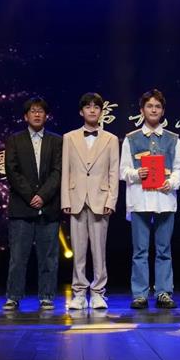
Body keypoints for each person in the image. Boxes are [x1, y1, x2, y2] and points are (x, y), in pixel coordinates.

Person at [120, 89, 180, 309]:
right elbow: (123, 170)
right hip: (140, 200)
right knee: (140, 250)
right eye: (149, 106)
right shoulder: (131, 139)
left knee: (163, 250)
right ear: (142, 110)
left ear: (163, 111)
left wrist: (172, 182)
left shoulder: (173, 139)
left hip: (165, 200)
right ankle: (139, 294)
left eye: (157, 106)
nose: (154, 110)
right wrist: (136, 173)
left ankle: (163, 292)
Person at [3, 97, 63, 311]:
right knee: (18, 257)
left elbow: (58, 171)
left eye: (40, 111)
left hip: (48, 207)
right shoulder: (14, 140)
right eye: (33, 111)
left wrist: (43, 196)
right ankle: (13, 296)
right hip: (22, 207)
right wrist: (31, 196)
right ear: (25, 116)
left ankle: (46, 296)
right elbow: (12, 171)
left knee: (48, 257)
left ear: (46, 116)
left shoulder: (56, 140)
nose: (37, 114)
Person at [61, 92, 119, 310]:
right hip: (76, 198)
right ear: (81, 111)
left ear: (101, 112)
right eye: (88, 107)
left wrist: (111, 200)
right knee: (78, 250)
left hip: (100, 199)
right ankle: (78, 293)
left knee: (99, 250)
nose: (92, 110)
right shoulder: (69, 137)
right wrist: (65, 198)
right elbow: (66, 170)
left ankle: (98, 292)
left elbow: (113, 172)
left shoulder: (111, 139)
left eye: (96, 107)